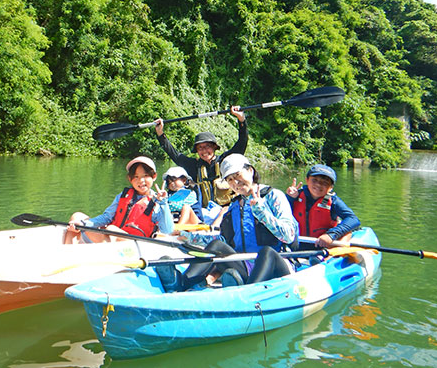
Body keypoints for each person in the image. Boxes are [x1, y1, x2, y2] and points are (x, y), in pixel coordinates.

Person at [157, 154, 299, 290]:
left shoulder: (273, 196)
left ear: (250, 170)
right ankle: (182, 281)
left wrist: (261, 212)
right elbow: (224, 240)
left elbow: (288, 235)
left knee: (267, 252)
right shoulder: (235, 204)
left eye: (237, 175)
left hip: (276, 264)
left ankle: (249, 293)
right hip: (247, 267)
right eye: (230, 179)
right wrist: (189, 237)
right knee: (216, 245)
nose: (235, 183)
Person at [64, 156, 174, 244]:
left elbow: (167, 230)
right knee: (77, 217)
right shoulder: (123, 195)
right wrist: (83, 223)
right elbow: (106, 217)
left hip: (136, 244)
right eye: (136, 177)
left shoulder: (158, 201)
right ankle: (67, 253)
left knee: (111, 228)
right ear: (130, 179)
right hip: (112, 237)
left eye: (145, 175)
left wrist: (163, 203)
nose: (141, 181)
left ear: (154, 176)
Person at [154, 107, 247, 207]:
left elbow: (242, 143)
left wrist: (241, 120)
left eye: (208, 147)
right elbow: (174, 154)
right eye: (200, 148)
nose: (204, 151)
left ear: (214, 147)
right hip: (205, 212)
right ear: (197, 151)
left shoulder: (225, 161)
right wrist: (160, 134)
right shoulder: (194, 166)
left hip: (227, 209)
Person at [285, 164, 360, 248]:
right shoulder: (295, 196)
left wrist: (331, 235)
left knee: (347, 232)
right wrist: (290, 198)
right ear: (307, 180)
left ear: (331, 187)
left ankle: (333, 255)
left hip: (323, 245)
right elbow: (280, 214)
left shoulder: (334, 201)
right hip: (297, 243)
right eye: (314, 180)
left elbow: (353, 219)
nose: (318, 185)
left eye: (325, 182)